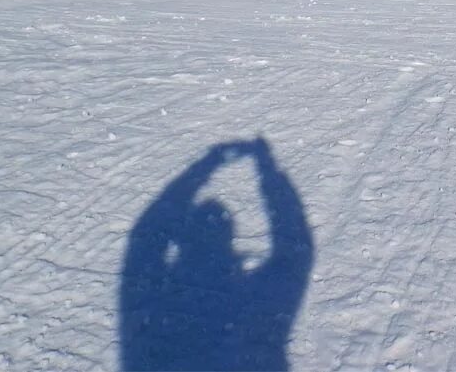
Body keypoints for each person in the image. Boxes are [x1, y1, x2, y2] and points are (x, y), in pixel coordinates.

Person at [119, 138, 312, 371]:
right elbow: (297, 254)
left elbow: (143, 246)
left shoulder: (165, 296)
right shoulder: (256, 299)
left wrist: (208, 165)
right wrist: (266, 168)